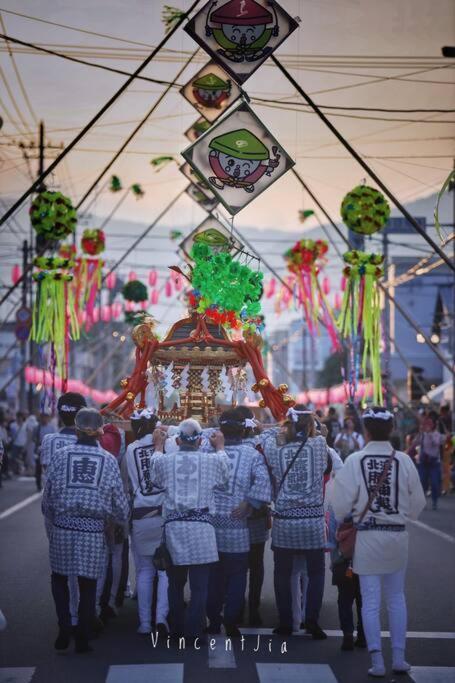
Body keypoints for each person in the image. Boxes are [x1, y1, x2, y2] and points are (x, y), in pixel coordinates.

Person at [328, 406, 426, 677]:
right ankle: (398, 658)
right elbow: (418, 503)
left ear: (366, 430)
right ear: (392, 429)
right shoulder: (403, 461)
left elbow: (339, 506)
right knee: (396, 598)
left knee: (370, 601)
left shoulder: (355, 460)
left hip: (367, 538)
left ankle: (377, 662)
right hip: (396, 537)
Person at [42, 408, 129, 653]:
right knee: (88, 583)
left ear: (77, 430)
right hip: (92, 529)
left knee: (59, 578)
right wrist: (119, 522)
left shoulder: (60, 455)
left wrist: (52, 519)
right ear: (100, 431)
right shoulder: (108, 460)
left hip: (63, 525)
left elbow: (47, 495)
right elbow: (119, 504)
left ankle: (64, 627)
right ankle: (82, 634)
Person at [151, 420, 229, 644]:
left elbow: (155, 475)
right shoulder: (211, 460)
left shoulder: (166, 461)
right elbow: (224, 476)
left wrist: (158, 446)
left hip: (175, 527)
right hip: (202, 528)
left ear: (177, 441)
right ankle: (194, 630)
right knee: (199, 586)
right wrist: (220, 446)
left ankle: (176, 628)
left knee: (175, 583)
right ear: (200, 441)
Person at [261, 406, 329, 638]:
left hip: (285, 521)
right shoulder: (319, 445)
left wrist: (277, 429)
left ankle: (286, 622)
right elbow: (322, 430)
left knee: (282, 572)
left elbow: (264, 436)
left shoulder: (274, 449)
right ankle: (312, 620)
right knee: (316, 572)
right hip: (313, 521)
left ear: (288, 424)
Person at [206, 408, 271, 637]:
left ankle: (213, 621)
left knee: (213, 576)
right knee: (236, 576)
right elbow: (264, 483)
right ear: (244, 430)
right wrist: (250, 502)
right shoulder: (251, 453)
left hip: (211, 526)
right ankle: (232, 620)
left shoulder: (207, 449)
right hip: (237, 526)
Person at [125, 408, 177, 635]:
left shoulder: (131, 449)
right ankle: (162, 618)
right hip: (165, 514)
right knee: (165, 570)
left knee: (145, 571)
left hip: (141, 514)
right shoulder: (170, 444)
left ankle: (144, 623)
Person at [236, 405, 271, 627]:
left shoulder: (222, 447)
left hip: (234, 513)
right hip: (256, 511)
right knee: (256, 564)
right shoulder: (262, 445)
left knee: (235, 564)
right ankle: (254, 608)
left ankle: (236, 607)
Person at [410, 415, 446, 510]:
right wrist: (419, 434)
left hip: (434, 462)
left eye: (429, 424)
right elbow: (414, 443)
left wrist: (429, 434)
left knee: (435, 483)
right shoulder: (422, 434)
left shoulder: (436, 434)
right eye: (426, 424)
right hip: (423, 462)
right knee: (422, 482)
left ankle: (434, 501)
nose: (427, 426)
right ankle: (422, 501)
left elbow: (437, 443)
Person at [34, 412, 56, 491]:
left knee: (49, 468)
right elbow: (34, 438)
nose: (44, 419)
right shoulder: (37, 427)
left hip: (49, 449)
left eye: (46, 417)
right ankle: (38, 485)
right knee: (38, 468)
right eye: (43, 417)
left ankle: (49, 485)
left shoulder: (52, 427)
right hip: (39, 449)